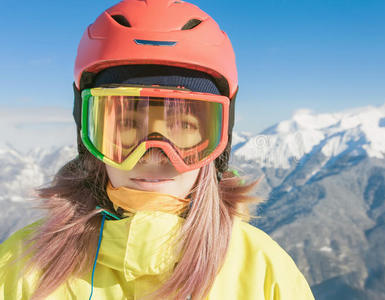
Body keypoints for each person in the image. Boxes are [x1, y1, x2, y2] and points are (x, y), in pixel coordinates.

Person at [0, 0, 315, 299]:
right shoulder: (19, 268)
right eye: (126, 125)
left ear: (219, 142)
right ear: (89, 137)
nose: (154, 155)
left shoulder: (266, 273)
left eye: (185, 127)